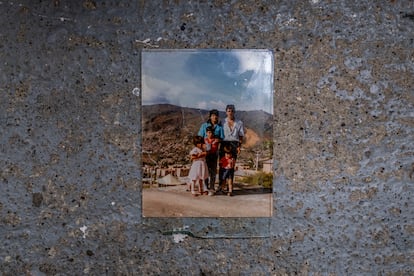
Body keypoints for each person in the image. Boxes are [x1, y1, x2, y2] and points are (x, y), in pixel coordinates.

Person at [217, 104, 244, 194]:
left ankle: (230, 188)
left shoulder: (239, 123)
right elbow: (219, 133)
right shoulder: (222, 122)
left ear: (234, 112)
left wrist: (239, 146)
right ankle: (221, 186)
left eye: (232, 111)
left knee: (230, 166)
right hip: (224, 144)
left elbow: (240, 135)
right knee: (222, 165)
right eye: (228, 111)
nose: (230, 112)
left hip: (234, 144)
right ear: (226, 112)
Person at [204, 127, 220, 196]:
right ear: (206, 133)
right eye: (208, 132)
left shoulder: (216, 140)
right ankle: (205, 188)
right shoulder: (204, 140)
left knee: (213, 174)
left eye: (211, 132)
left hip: (213, 157)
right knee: (206, 173)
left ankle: (211, 188)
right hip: (206, 157)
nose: (210, 134)